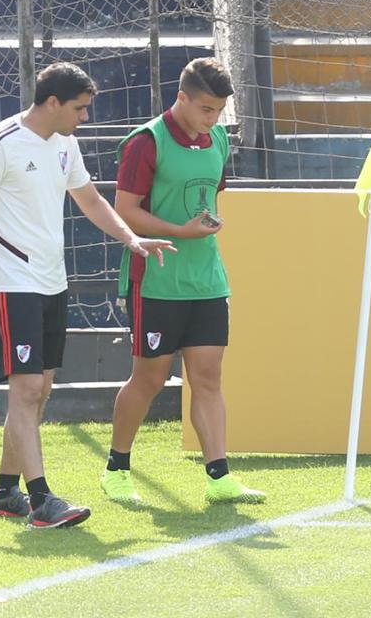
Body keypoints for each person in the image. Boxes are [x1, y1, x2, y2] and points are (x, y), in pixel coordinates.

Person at [0, 63, 175, 528]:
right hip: (12, 284)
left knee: (41, 390)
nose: (85, 118)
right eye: (79, 108)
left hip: (52, 283)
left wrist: (130, 240)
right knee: (28, 389)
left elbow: (91, 200)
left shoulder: (66, 145)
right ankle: (41, 501)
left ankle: (5, 492)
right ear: (52, 102)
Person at [100, 57, 266, 505]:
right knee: (149, 378)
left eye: (219, 112)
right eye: (206, 109)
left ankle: (219, 477)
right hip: (155, 279)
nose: (212, 120)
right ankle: (116, 469)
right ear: (182, 98)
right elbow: (125, 210)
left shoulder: (215, 140)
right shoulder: (144, 143)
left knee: (208, 376)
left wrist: (206, 223)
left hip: (206, 279)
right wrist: (178, 231)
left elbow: (208, 194)